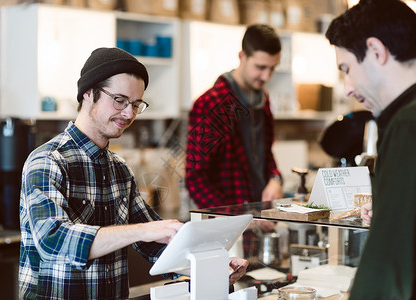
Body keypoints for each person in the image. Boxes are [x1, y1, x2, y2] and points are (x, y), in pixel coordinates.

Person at [18, 47, 248, 299]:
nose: (129, 113)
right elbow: (53, 241)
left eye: (136, 104)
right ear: (87, 93)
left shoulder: (119, 168)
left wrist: (212, 266)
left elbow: (155, 241)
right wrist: (142, 230)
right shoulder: (48, 161)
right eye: (119, 100)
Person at [325, 0, 416, 298]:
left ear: (377, 51)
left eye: (347, 69)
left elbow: (388, 263)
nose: (348, 88)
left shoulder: (407, 124)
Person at [185, 24, 284, 210]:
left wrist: (275, 178)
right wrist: (236, 217)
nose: (266, 76)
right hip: (229, 225)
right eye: (260, 67)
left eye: (272, 68)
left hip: (261, 216)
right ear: (242, 57)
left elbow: (266, 156)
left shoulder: (263, 100)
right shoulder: (213, 103)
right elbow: (195, 179)